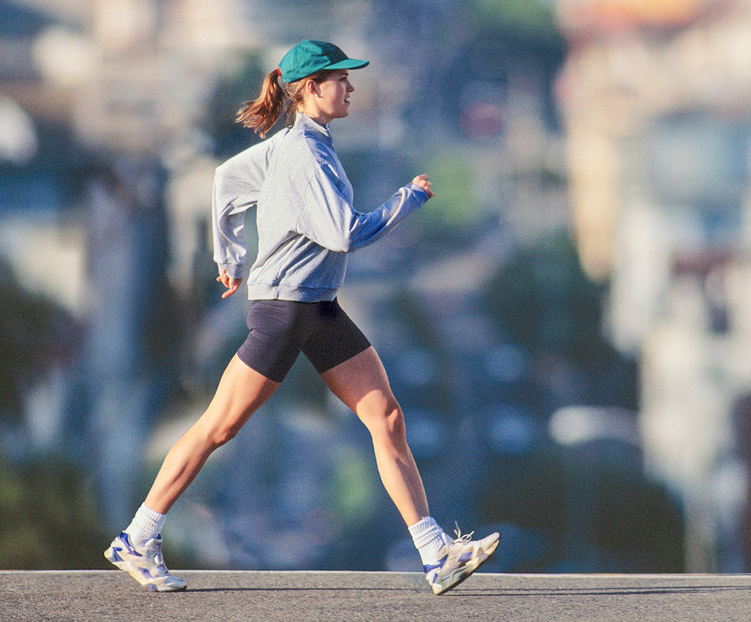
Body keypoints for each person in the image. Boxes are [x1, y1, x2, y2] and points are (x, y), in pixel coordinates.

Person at [104, 40, 498, 596]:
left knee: (386, 418)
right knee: (219, 426)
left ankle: (436, 555)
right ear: (311, 88)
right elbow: (345, 233)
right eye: (341, 79)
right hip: (287, 312)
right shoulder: (303, 155)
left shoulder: (296, 145)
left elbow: (225, 181)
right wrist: (407, 199)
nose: (351, 87)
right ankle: (137, 538)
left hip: (319, 308)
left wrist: (230, 258)